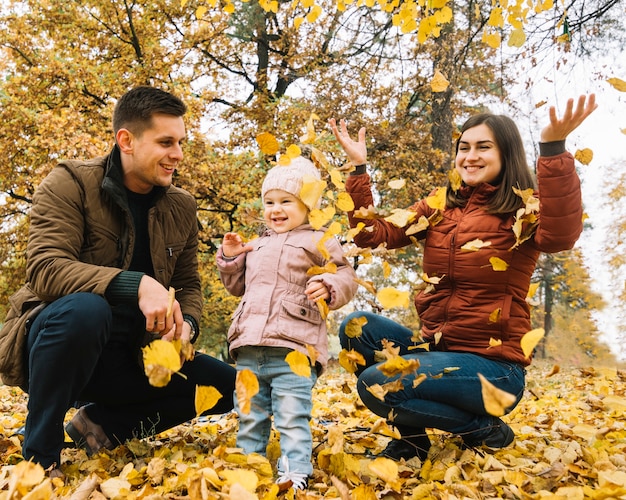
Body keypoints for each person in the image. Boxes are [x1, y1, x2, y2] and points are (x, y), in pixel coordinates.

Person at [329, 94, 597, 462]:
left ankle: (483, 428)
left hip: (494, 370)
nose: (470, 156)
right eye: (464, 147)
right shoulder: (439, 206)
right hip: (438, 349)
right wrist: (358, 171)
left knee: (376, 383)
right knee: (357, 326)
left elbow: (561, 235)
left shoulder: (524, 208)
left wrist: (552, 148)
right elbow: (371, 235)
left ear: (506, 155)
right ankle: (413, 442)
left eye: (483, 147)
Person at [4, 86, 236, 477]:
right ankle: (40, 456)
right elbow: (45, 267)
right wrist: (137, 285)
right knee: (86, 310)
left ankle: (101, 425)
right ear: (126, 140)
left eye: (180, 142)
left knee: (230, 386)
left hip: (134, 357)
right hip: (62, 346)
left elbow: (188, 283)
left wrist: (187, 327)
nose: (177, 154)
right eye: (166, 142)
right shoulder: (71, 182)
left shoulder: (182, 206)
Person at [216, 156, 358, 490]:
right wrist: (231, 258)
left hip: (294, 347)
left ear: (308, 206)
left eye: (286, 202)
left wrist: (329, 285)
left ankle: (295, 471)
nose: (275, 209)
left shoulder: (319, 240)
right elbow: (236, 287)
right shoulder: (257, 244)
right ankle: (247, 467)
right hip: (250, 346)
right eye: (269, 202)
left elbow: (345, 275)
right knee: (249, 413)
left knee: (293, 415)